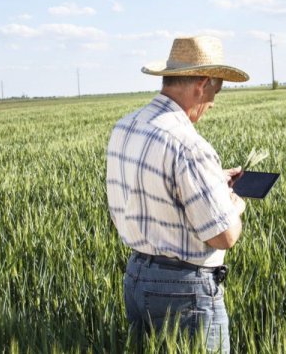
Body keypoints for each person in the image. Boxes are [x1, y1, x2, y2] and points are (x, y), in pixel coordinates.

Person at [106, 36, 250, 353]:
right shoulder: (188, 144)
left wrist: (212, 181)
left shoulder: (125, 127)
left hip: (135, 278)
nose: (214, 101)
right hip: (184, 292)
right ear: (202, 83)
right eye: (217, 89)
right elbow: (222, 236)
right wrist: (233, 205)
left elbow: (155, 186)